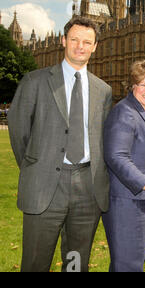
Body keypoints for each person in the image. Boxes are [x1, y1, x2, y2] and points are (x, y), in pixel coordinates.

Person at [7, 17, 112, 272]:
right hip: (45, 186)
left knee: (76, 262)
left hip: (87, 188)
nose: (80, 46)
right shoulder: (35, 81)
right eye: (74, 39)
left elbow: (102, 140)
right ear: (63, 41)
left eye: (87, 42)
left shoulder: (103, 90)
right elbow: (19, 132)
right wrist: (38, 167)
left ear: (95, 46)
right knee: (35, 262)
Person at [102, 59, 145, 272]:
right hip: (129, 202)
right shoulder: (125, 111)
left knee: (132, 264)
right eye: (143, 84)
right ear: (132, 86)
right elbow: (116, 156)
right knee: (128, 266)